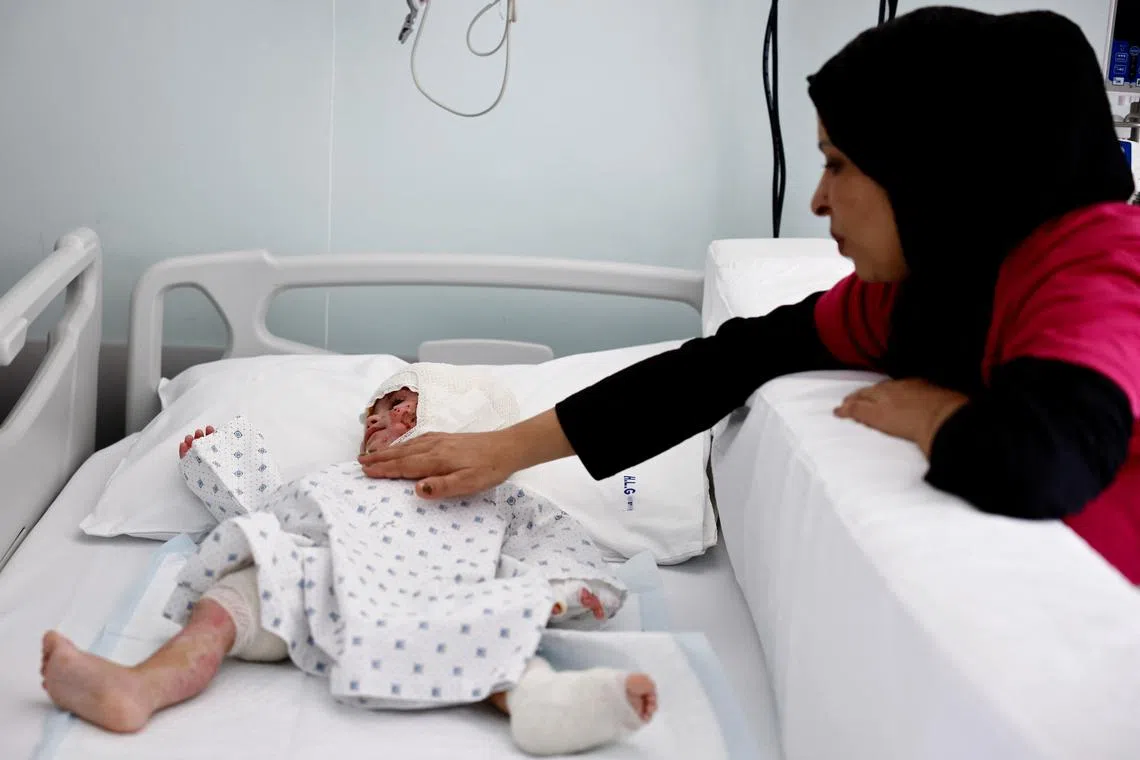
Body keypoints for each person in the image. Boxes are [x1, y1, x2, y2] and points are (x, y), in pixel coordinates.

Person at [360, 7, 1140, 585]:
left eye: (838, 165)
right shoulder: (934, 287)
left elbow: (1045, 461)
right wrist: (503, 449)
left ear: (930, 173)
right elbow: (731, 359)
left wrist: (933, 414)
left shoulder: (1095, 269)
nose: (817, 203)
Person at [40, 365, 657, 757]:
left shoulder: (497, 493)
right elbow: (260, 510)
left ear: (459, 429)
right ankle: (141, 685)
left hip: (436, 593)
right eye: (378, 413)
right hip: (305, 586)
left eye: (409, 412)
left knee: (501, 619)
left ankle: (539, 704)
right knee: (242, 578)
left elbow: (558, 542)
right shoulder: (335, 477)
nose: (384, 421)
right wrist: (216, 460)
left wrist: (567, 591)